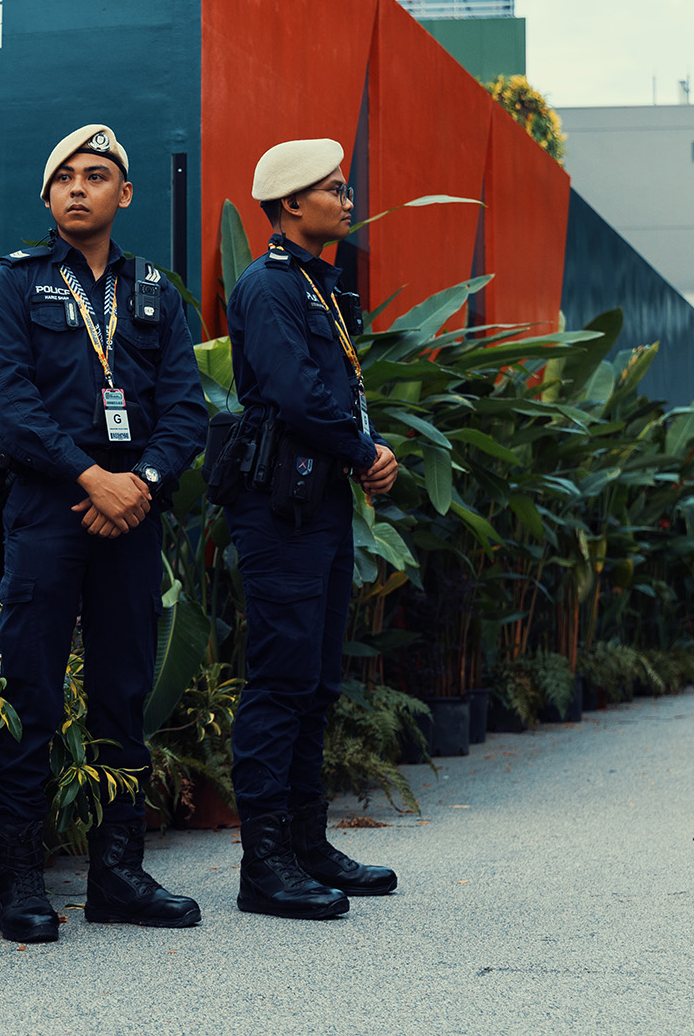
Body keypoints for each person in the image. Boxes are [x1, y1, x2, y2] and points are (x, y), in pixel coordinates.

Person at [0, 124, 209, 943]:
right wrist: (92, 476)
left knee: (122, 696)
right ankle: (22, 880)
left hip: (131, 518)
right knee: (30, 695)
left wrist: (138, 483)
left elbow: (187, 409)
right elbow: (12, 409)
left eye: (97, 174)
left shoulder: (155, 293)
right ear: (48, 199)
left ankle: (117, 875)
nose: (79, 187)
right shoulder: (15, 287)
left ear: (124, 193)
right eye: (65, 177)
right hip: (48, 511)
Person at [223, 137, 401, 920]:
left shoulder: (319, 287)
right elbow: (295, 395)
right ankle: (264, 866)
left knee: (317, 683)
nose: (348, 195)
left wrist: (360, 457)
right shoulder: (269, 288)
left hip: (319, 503)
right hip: (280, 507)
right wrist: (364, 450)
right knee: (281, 681)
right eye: (334, 188)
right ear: (293, 204)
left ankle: (307, 844)